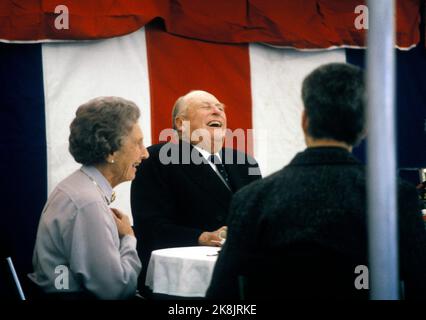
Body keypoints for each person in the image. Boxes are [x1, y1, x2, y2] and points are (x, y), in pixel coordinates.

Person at [207, 63, 426, 300]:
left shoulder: (251, 198)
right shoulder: (396, 196)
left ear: (304, 120)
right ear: (363, 127)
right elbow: (418, 284)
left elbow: (222, 296)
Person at [131, 90, 261, 292]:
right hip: (184, 283)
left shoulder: (245, 162)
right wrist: (202, 237)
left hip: (240, 278)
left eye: (220, 107)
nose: (217, 111)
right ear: (181, 123)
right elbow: (149, 226)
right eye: (206, 106)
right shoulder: (158, 159)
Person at [28, 97, 149, 299]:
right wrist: (128, 237)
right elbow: (115, 290)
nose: (145, 154)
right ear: (111, 150)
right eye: (138, 143)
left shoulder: (78, 188)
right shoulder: (87, 203)